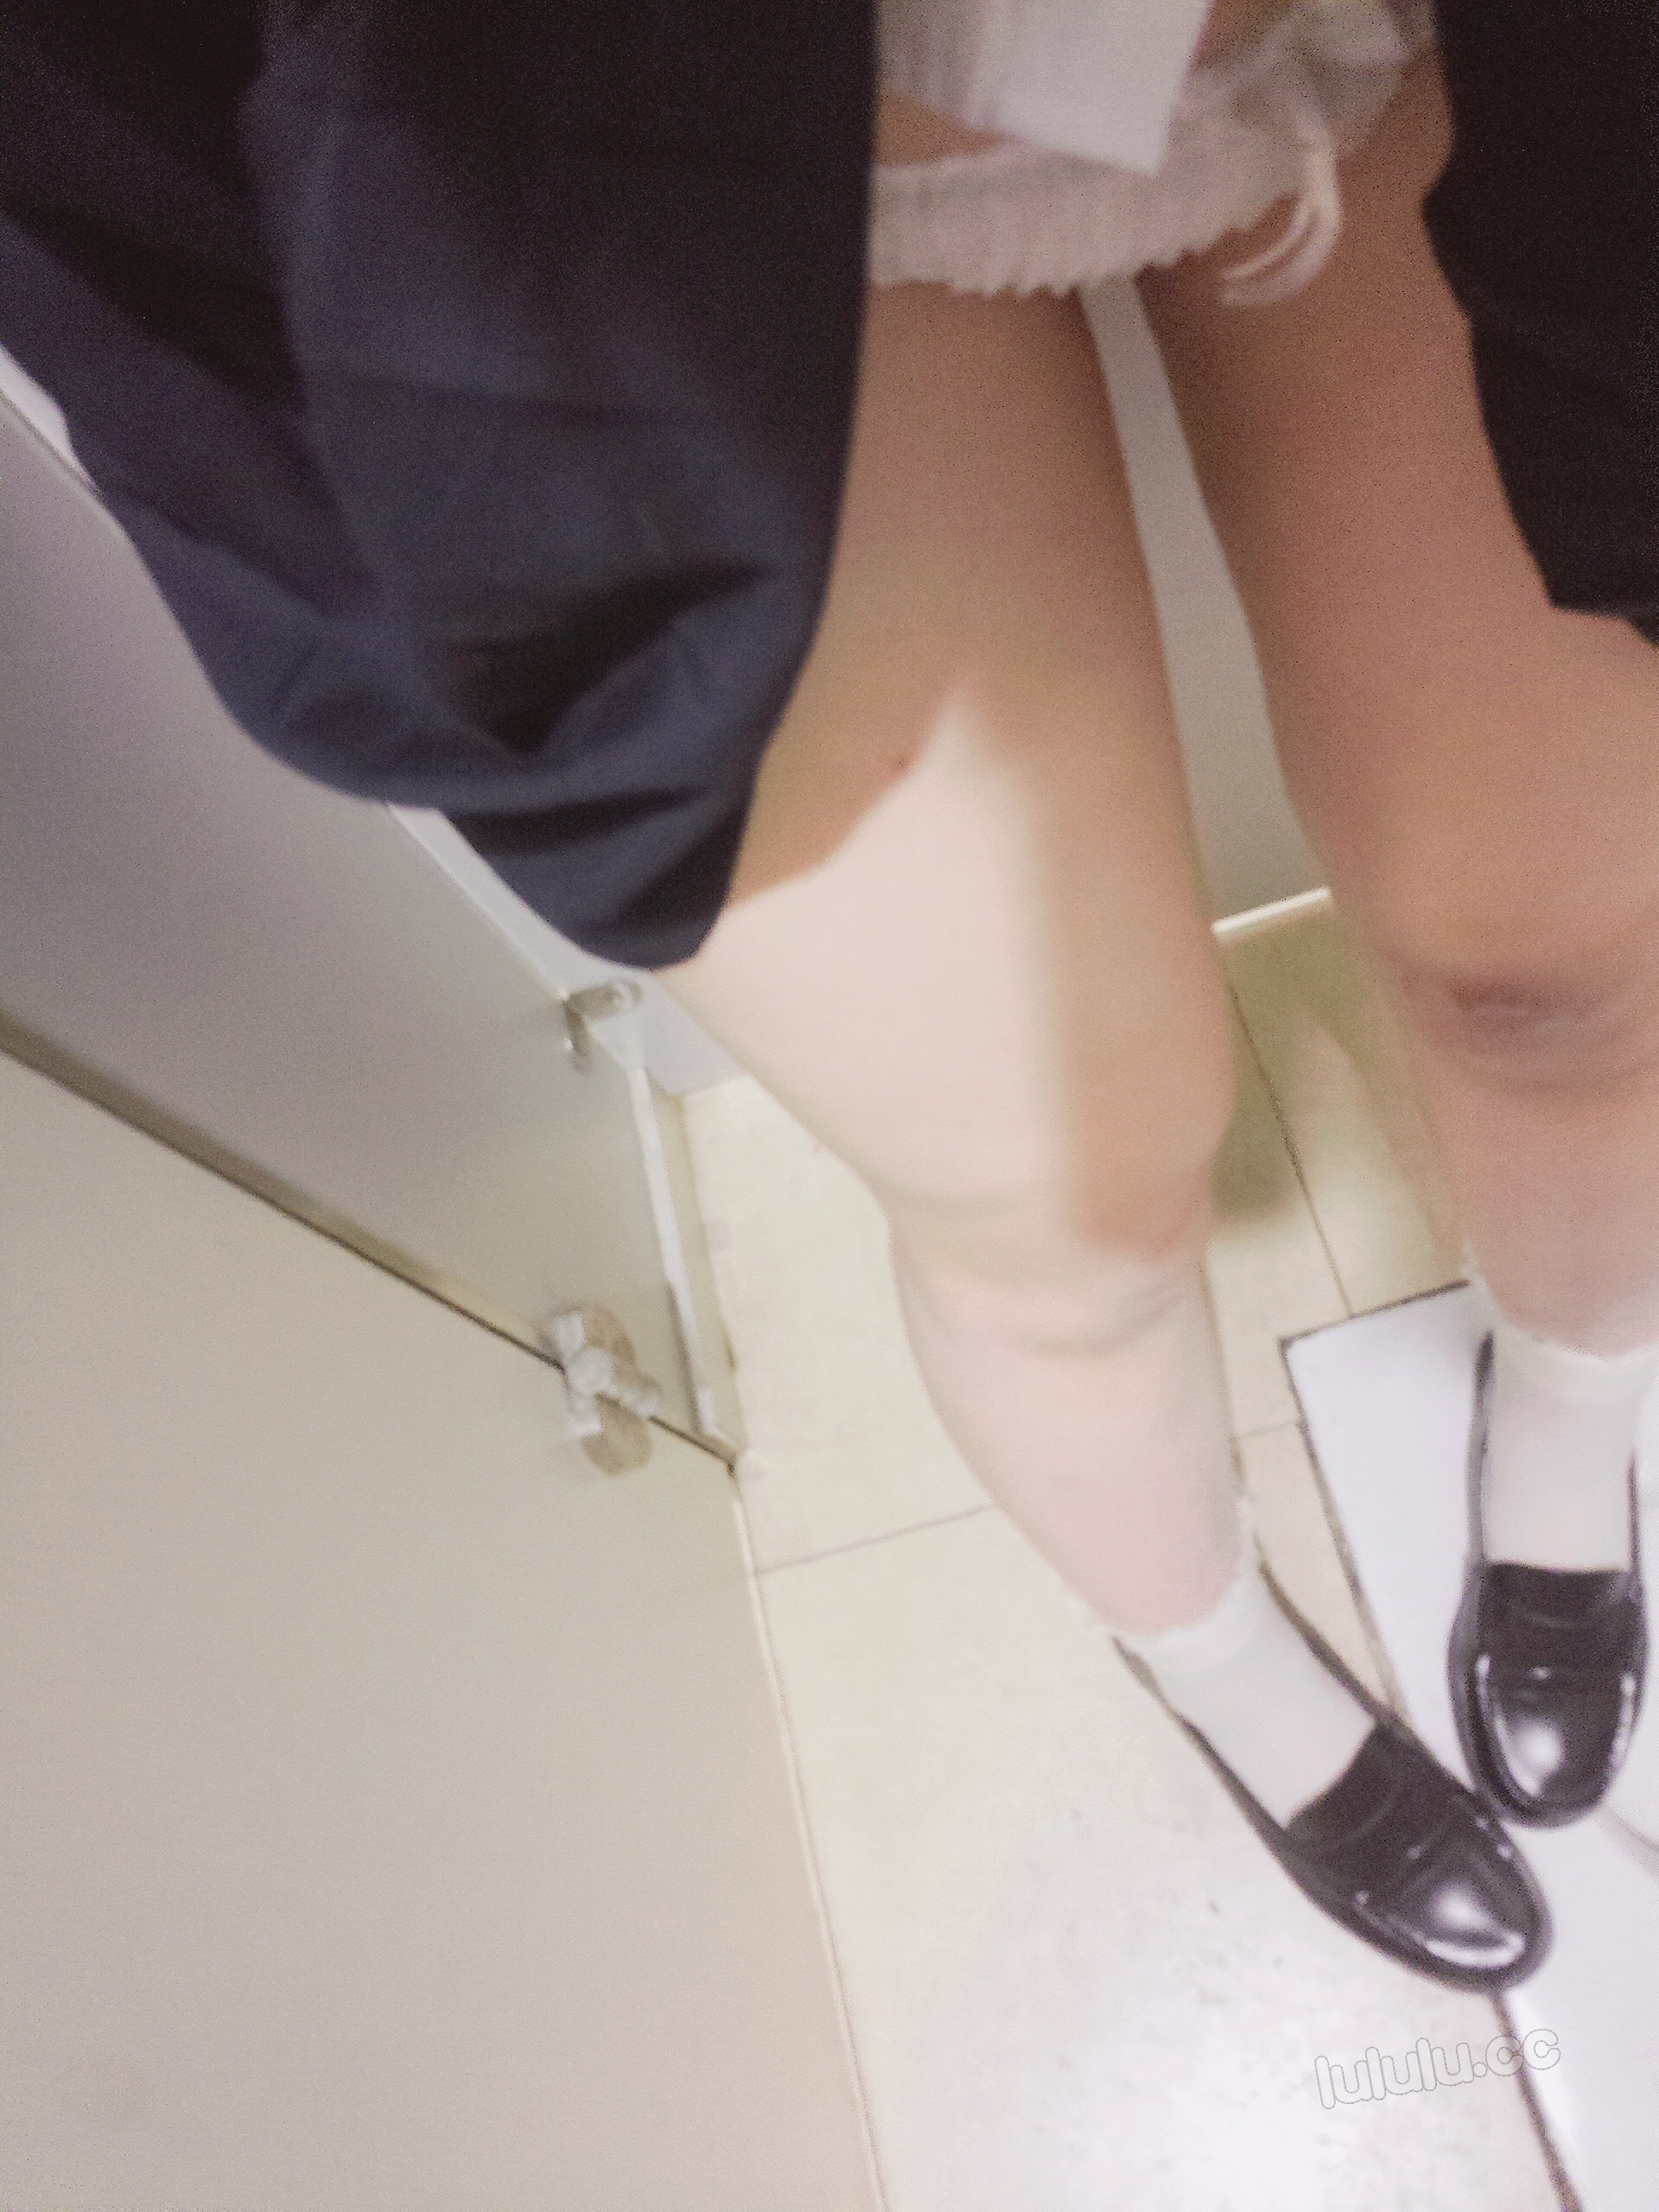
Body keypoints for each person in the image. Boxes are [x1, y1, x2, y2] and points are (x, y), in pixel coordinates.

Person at [5, 0, 1656, 1985]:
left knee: (1565, 985)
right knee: (1064, 1208)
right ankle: (1211, 1652)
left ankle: (1577, 1414)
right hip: (611, 174)